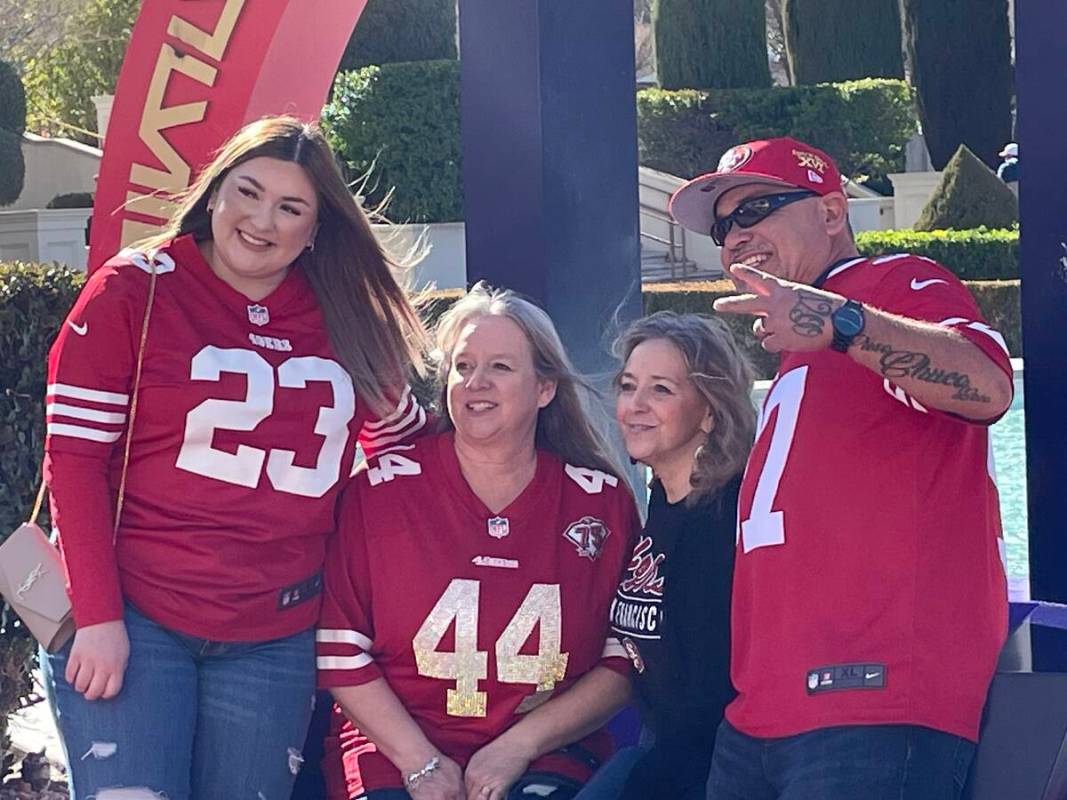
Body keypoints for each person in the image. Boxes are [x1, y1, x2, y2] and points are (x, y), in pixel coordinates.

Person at [41, 116, 429, 800]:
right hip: (135, 612)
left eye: (290, 207)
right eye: (247, 192)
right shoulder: (135, 288)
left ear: (316, 230)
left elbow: (403, 451)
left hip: (273, 631)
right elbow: (73, 459)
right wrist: (98, 618)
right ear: (215, 191)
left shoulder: (344, 314)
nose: (261, 220)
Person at [668, 136, 1013, 800]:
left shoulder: (890, 285)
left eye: (757, 209)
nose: (735, 236)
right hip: (761, 717)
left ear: (830, 213)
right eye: (722, 227)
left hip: (875, 702)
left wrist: (842, 322)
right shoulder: (803, 347)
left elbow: (988, 386)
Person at [316, 282, 640, 800]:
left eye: (501, 367)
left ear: (545, 388)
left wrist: (518, 745)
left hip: (549, 753)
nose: (475, 383)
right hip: (395, 752)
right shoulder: (379, 491)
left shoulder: (599, 502)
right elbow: (337, 648)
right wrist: (420, 763)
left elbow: (624, 657)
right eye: (463, 366)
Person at [574, 312, 756, 800]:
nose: (635, 406)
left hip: (708, 771)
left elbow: (713, 692)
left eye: (660, 390)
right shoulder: (663, 502)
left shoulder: (727, 517)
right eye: (629, 386)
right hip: (660, 753)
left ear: (710, 412)